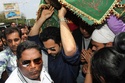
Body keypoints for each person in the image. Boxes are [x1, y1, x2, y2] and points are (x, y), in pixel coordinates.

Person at [28, 6, 80, 83]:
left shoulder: (68, 57)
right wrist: (42, 18)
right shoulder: (47, 50)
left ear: (61, 43)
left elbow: (70, 50)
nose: (48, 52)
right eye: (46, 49)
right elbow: (32, 37)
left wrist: (61, 17)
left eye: (52, 48)